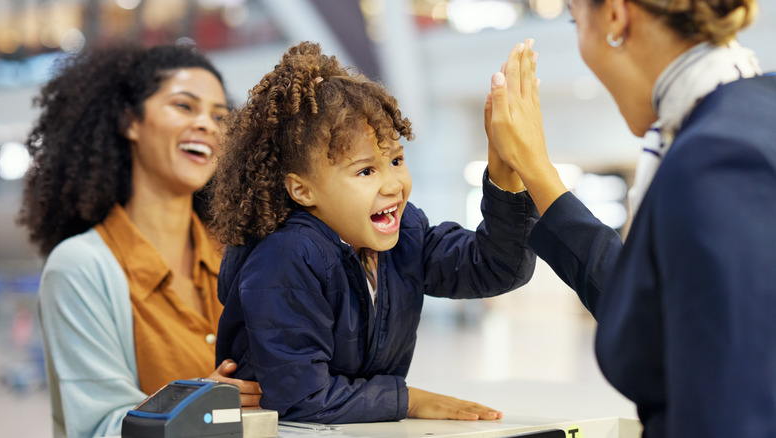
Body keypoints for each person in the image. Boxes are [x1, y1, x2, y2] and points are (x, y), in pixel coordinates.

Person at [486, 0, 775, 437]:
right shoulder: (743, 119)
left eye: (575, 20)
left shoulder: (717, 157)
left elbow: (728, 409)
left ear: (616, 16)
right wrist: (537, 171)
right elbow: (668, 308)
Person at [210, 41, 537, 424]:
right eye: (366, 170)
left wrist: (506, 169)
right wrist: (410, 400)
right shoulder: (287, 256)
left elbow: (497, 266)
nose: (393, 184)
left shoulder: (406, 233)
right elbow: (303, 398)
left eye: (396, 160)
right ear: (302, 189)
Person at [18, 44, 261, 438]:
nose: (206, 124)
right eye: (185, 106)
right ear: (130, 121)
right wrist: (203, 402)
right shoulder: (81, 267)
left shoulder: (240, 256)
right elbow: (100, 426)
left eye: (219, 115)